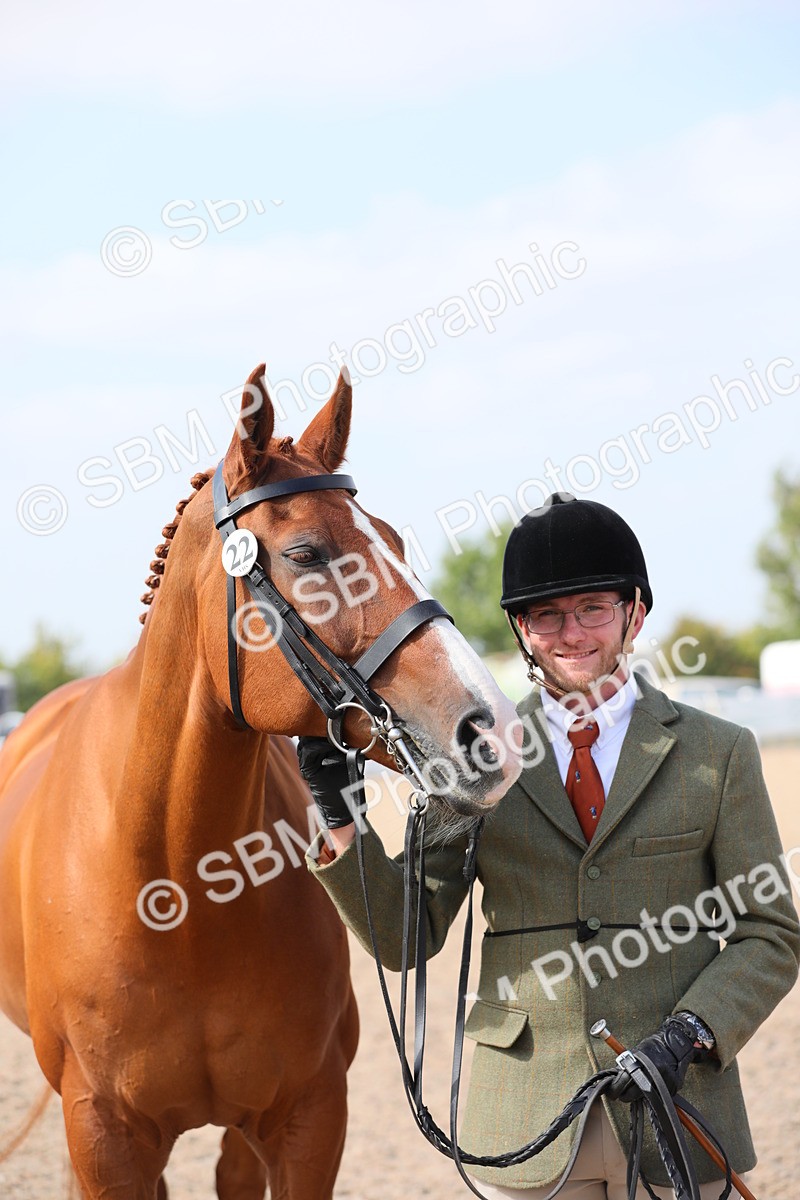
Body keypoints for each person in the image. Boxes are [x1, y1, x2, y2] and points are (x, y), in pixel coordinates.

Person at [300, 491, 800, 1198]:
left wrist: (691, 1033)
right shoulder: (471, 758)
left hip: (679, 1103)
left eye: (592, 608)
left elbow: (770, 933)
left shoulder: (719, 752)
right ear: (520, 628)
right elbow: (406, 935)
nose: (571, 633)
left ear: (635, 613)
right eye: (546, 615)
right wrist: (339, 814)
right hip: (525, 1112)